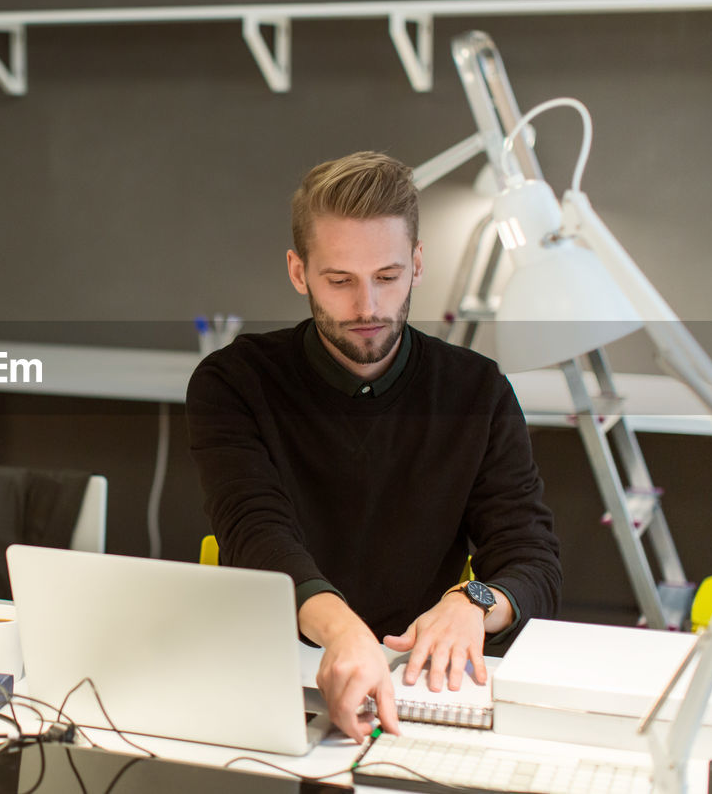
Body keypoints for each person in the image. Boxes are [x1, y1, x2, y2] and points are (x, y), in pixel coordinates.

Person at [185, 151, 561, 743]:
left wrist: (473, 601)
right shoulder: (234, 382)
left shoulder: (477, 391)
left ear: (416, 265)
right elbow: (256, 532)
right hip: (270, 673)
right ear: (298, 271)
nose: (368, 308)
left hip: (419, 683)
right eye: (340, 281)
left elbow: (531, 556)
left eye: (387, 277)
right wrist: (340, 631)